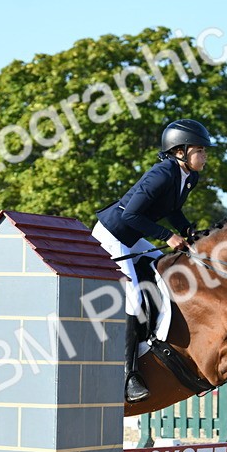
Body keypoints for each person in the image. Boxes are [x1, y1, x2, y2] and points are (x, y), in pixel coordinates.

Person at [93, 118, 211, 402]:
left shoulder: (188, 177)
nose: (205, 155)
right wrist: (166, 237)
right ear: (180, 151)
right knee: (133, 297)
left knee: (167, 274)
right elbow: (129, 215)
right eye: (200, 150)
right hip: (113, 234)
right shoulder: (161, 174)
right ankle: (129, 375)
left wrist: (187, 231)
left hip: (133, 236)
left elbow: (172, 211)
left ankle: (156, 337)